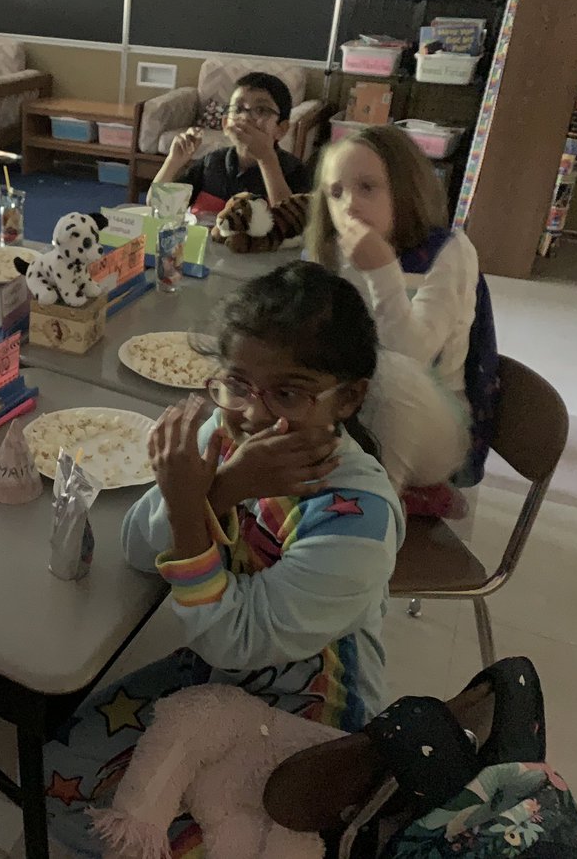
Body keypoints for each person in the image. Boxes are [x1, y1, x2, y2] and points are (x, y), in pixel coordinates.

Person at [44, 262, 405, 857]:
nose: (257, 414)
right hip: (220, 680)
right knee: (62, 776)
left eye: (290, 392)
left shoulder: (356, 521)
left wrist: (192, 506)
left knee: (184, 834)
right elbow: (138, 548)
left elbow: (234, 639)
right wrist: (215, 491)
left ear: (350, 397)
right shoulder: (228, 432)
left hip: (310, 713)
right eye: (238, 384)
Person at [304, 124, 498, 496]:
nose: (350, 205)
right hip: (358, 408)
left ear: (405, 188)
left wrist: (382, 271)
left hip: (436, 425)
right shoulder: (336, 250)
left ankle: (378, 508)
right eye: (336, 193)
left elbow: (410, 356)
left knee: (390, 370)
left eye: (367, 187)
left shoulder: (449, 251)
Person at [153, 72, 311, 214]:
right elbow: (161, 206)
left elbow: (293, 225)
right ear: (225, 124)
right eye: (238, 108)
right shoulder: (212, 163)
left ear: (281, 129)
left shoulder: (293, 170)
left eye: (261, 110)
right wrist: (173, 162)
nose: (246, 117)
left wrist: (266, 159)